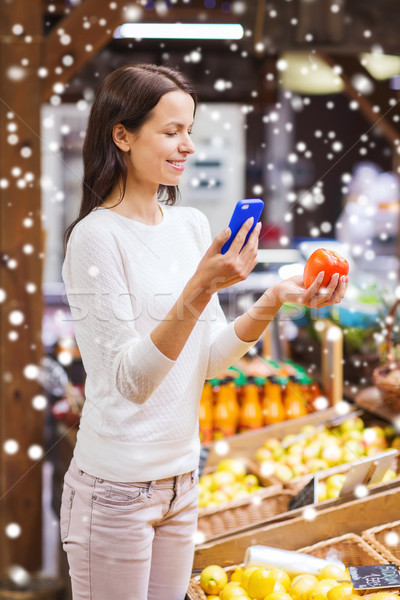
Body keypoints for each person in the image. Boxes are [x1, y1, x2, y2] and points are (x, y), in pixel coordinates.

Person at [60, 63, 348, 600]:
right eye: (171, 131)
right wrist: (198, 288)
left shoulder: (190, 226)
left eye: (189, 129)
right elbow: (131, 381)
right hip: (116, 491)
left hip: (182, 483)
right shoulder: (95, 238)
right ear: (121, 135)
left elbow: (209, 362)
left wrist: (272, 300)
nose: (187, 146)